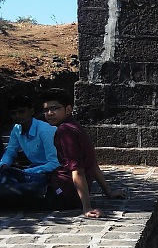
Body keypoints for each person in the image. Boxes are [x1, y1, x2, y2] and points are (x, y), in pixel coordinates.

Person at [39, 88, 125, 218]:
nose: (49, 113)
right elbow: (93, 164)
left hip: (61, 193)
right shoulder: (75, 126)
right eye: (46, 110)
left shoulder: (65, 131)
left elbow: (77, 170)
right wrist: (109, 192)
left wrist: (86, 207)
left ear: (68, 109)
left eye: (54, 108)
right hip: (64, 190)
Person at [0, 92, 60, 204]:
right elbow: (10, 151)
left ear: (31, 111)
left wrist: (24, 172)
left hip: (47, 173)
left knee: (29, 189)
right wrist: (4, 165)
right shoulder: (16, 129)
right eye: (14, 113)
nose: (18, 116)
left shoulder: (44, 130)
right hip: (29, 171)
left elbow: (55, 163)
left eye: (21, 112)